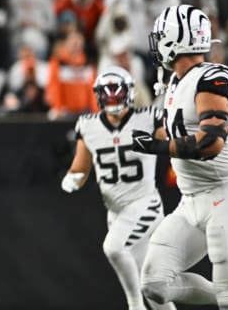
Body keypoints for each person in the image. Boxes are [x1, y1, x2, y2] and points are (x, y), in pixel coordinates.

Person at [132, 5, 228, 309]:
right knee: (155, 283)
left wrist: (156, 147)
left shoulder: (213, 76)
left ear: (175, 39)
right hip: (190, 199)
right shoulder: (176, 82)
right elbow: (174, 132)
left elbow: (210, 142)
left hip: (226, 197)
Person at [60, 66, 173, 310]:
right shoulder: (88, 125)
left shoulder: (148, 116)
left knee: (113, 248)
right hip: (116, 212)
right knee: (151, 286)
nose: (112, 99)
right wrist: (72, 179)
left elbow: (174, 145)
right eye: (107, 94)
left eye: (117, 93)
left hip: (145, 203)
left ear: (129, 93)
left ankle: (134, 307)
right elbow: (80, 169)